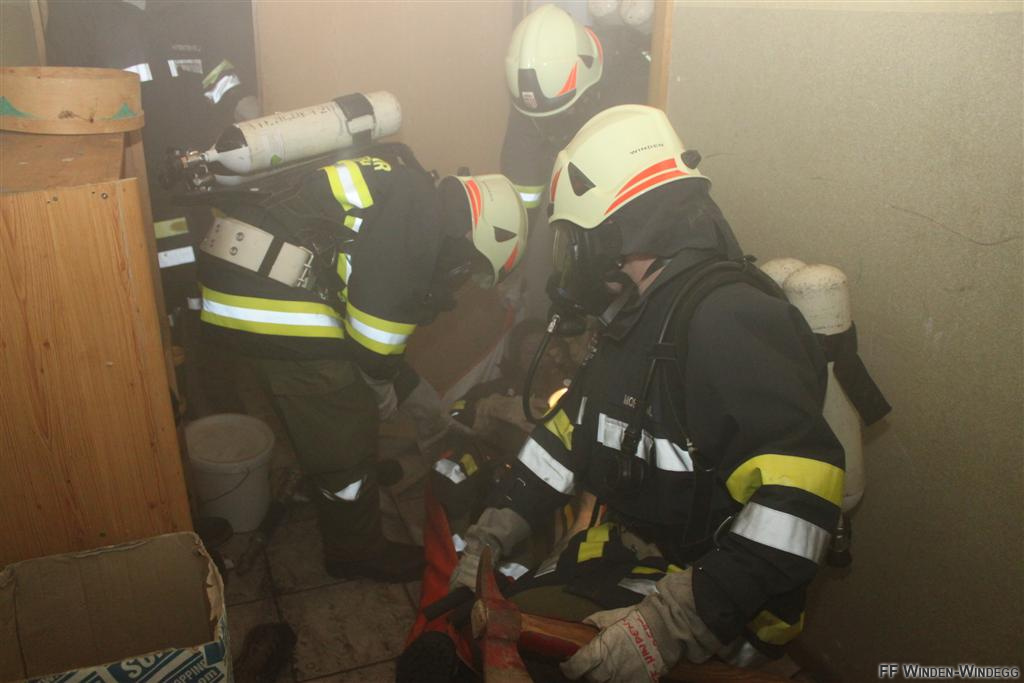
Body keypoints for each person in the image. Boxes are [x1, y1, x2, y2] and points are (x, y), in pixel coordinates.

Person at [450, 105, 844, 679]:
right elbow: (567, 435)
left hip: (721, 607)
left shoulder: (725, 319)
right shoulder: (639, 319)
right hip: (644, 552)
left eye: (572, 241)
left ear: (612, 234)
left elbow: (801, 501)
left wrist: (669, 624)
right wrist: (491, 532)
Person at [198, 146, 528, 583]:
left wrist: (401, 387)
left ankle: (348, 478)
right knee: (343, 417)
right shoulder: (420, 220)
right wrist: (379, 392)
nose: (461, 276)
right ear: (474, 236)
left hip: (249, 268)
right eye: (469, 266)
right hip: (264, 290)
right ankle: (354, 549)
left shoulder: (409, 192)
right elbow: (375, 341)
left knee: (351, 385)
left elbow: (366, 316)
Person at [501, 3, 650, 317]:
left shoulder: (632, 80)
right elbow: (521, 179)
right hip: (567, 173)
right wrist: (512, 250)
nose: (546, 122)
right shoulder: (534, 94)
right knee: (542, 263)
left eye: (560, 111)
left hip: (622, 186)